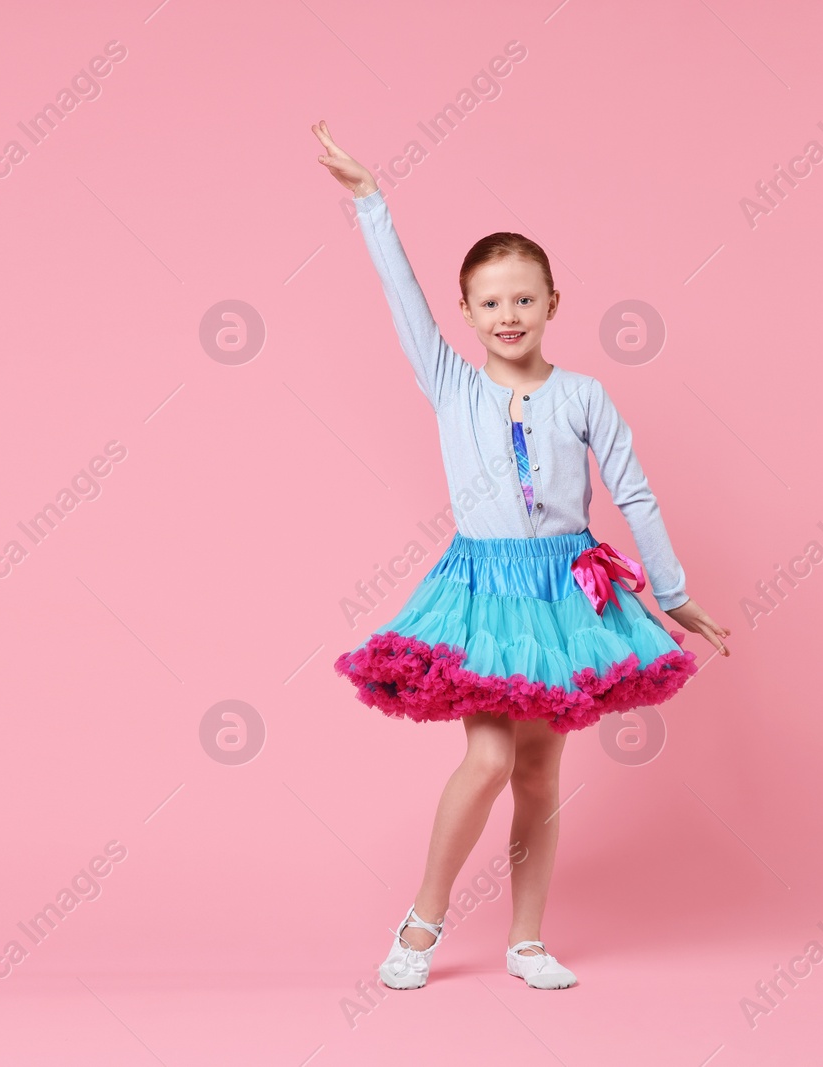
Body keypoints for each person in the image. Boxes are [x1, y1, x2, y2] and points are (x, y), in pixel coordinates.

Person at [313, 120, 731, 991]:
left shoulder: (583, 394)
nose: (509, 315)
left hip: (566, 593)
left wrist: (675, 592)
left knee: (540, 774)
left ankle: (528, 938)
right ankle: (423, 919)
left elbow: (636, 492)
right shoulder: (451, 383)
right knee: (490, 758)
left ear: (552, 304)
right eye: (491, 302)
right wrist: (370, 203)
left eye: (524, 299)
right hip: (483, 589)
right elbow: (403, 302)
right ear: (467, 314)